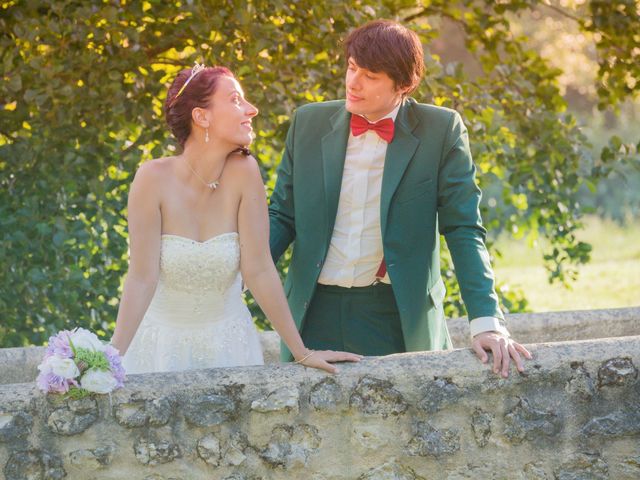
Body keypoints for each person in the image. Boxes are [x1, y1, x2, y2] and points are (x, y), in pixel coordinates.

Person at [268, 20, 532, 378]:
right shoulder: (308, 123)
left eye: (371, 75)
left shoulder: (441, 130)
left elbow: (464, 228)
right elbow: (282, 217)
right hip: (312, 312)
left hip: (396, 314)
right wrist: (229, 276)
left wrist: (486, 322)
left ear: (404, 84)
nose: (353, 82)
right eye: (351, 67)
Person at [110, 63, 362, 374]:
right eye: (235, 100)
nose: (252, 110)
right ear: (201, 116)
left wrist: (301, 351)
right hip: (160, 347)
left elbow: (258, 269)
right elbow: (141, 278)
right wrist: (109, 360)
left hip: (230, 347)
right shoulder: (151, 178)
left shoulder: (245, 172)